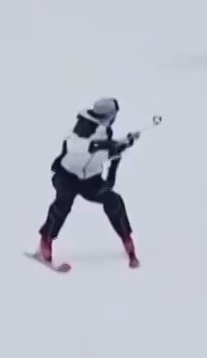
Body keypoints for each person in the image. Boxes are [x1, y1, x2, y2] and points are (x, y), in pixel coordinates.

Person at [34, 97, 140, 270]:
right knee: (63, 203)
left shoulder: (105, 131)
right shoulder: (83, 127)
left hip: (90, 179)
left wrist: (123, 143)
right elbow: (80, 147)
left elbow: (102, 153)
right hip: (67, 175)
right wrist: (107, 145)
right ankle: (46, 239)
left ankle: (126, 238)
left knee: (113, 200)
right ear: (109, 115)